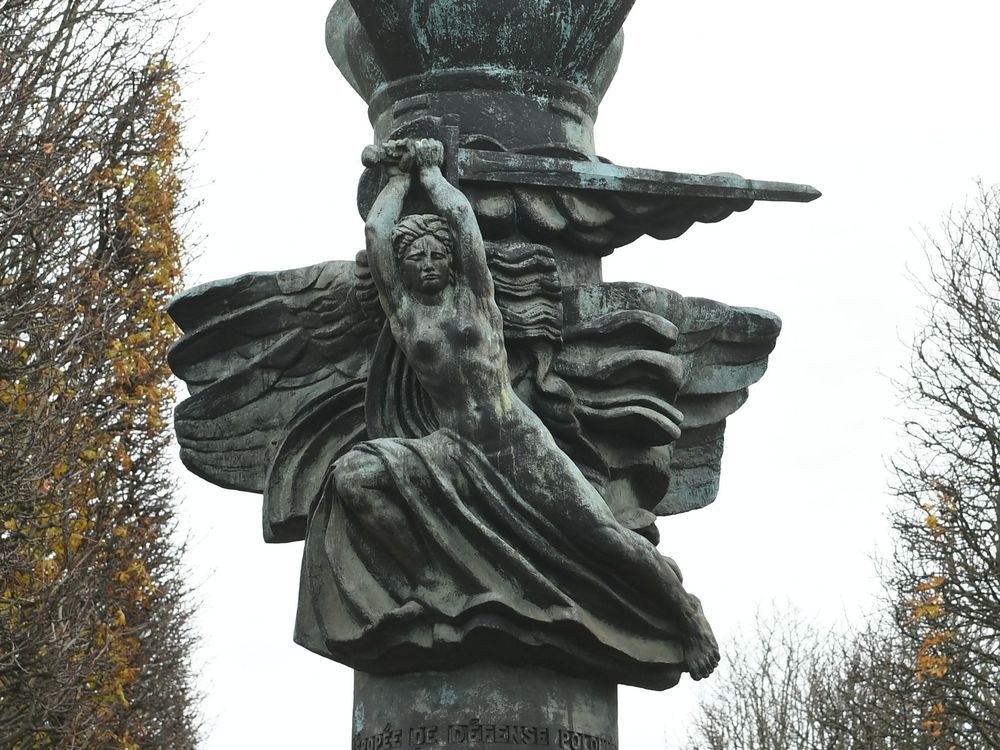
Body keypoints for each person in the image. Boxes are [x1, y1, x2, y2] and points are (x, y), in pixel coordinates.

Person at [303, 138, 719, 683]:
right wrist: (398, 176)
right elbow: (378, 233)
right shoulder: (405, 316)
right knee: (355, 476)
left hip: (514, 443)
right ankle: (429, 585)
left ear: (451, 262)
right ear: (402, 270)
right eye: (416, 259)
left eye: (435, 255)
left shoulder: (475, 299)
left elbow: (459, 217)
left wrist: (429, 171)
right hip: (451, 449)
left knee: (602, 536)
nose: (427, 264)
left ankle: (688, 615)